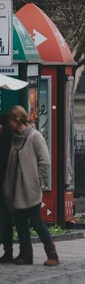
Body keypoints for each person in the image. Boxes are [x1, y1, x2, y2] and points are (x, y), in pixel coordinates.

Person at [2, 106, 59, 266]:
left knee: (36, 222)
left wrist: (38, 182)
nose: (9, 124)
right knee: (20, 223)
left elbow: (44, 161)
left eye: (10, 121)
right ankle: (26, 254)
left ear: (16, 120)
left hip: (31, 189)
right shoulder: (16, 138)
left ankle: (52, 253)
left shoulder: (34, 136)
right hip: (17, 189)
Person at [0, 116, 15, 263]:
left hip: (7, 184)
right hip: (6, 182)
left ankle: (9, 251)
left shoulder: (8, 138)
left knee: (8, 218)